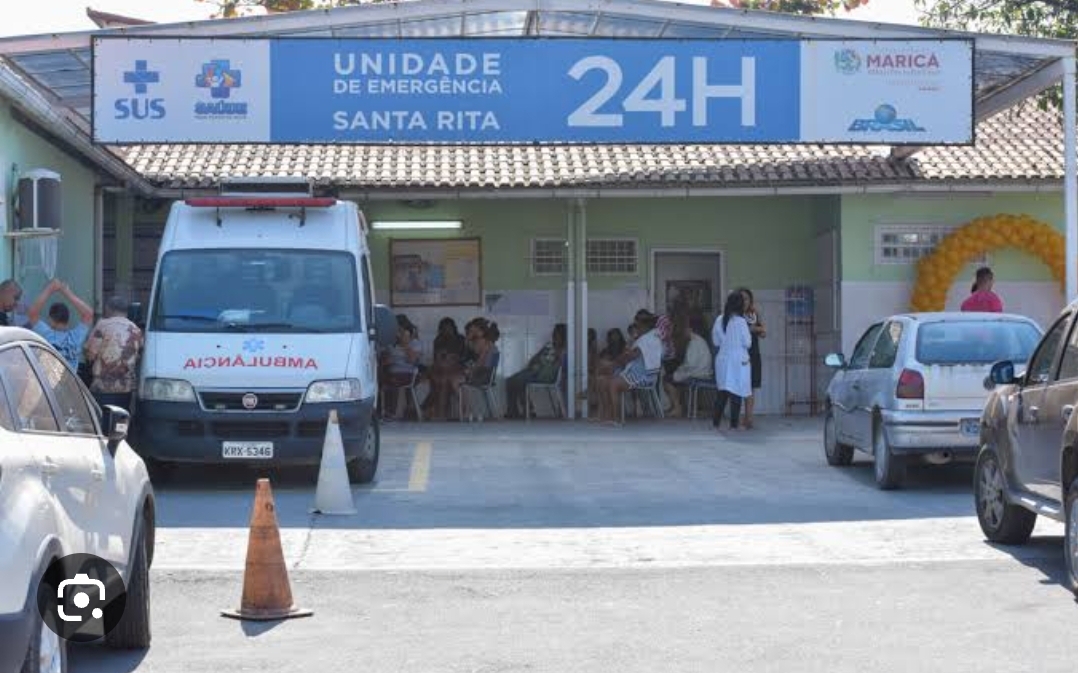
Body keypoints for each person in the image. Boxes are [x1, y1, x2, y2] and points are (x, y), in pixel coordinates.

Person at [596, 311, 668, 425]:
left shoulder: (650, 338)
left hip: (644, 376)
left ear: (643, 325)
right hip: (633, 373)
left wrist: (614, 364)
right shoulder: (646, 337)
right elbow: (629, 356)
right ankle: (606, 416)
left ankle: (617, 418)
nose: (635, 327)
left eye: (636, 324)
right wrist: (616, 363)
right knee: (601, 381)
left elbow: (631, 356)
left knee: (613, 384)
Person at [84, 295, 144, 411]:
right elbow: (138, 356)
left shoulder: (102, 325)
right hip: (126, 388)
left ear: (108, 309)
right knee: (121, 418)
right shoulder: (136, 330)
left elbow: (90, 354)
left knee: (101, 417)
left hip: (102, 387)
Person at [27, 279, 94, 371]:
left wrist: (50, 289)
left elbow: (32, 313)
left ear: (51, 319)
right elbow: (88, 314)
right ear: (67, 319)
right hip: (69, 380)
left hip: (47, 380)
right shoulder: (75, 337)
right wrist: (66, 292)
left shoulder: (46, 334)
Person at [505, 323, 567, 419]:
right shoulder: (549, 345)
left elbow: (556, 366)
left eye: (557, 335)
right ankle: (513, 410)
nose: (555, 336)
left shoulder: (563, 350)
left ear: (562, 336)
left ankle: (528, 409)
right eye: (554, 334)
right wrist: (534, 363)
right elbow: (535, 358)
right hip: (534, 371)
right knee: (510, 381)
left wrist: (542, 364)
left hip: (545, 375)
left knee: (519, 380)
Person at [712, 291, 752, 431]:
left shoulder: (719, 320)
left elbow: (716, 342)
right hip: (738, 361)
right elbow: (748, 343)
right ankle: (734, 425)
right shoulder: (741, 322)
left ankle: (716, 423)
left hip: (723, 360)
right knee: (737, 392)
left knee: (722, 393)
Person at [380, 314, 424, 421]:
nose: (398, 333)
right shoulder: (391, 343)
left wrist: (406, 344)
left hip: (408, 372)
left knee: (393, 380)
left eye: (401, 330)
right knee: (381, 378)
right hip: (391, 371)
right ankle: (382, 411)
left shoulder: (415, 343)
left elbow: (412, 360)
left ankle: (392, 412)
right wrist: (387, 359)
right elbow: (383, 360)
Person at [454, 320, 501, 420]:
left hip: (484, 375)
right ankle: (468, 411)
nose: (471, 332)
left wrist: (469, 371)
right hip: (484, 373)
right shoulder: (483, 342)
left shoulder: (485, 343)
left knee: (457, 381)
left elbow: (480, 363)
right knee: (457, 379)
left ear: (480, 331)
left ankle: (469, 411)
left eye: (473, 330)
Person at [425, 317, 467, 421]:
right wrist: (442, 357)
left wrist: (451, 357)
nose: (447, 330)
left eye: (449, 328)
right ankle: (440, 413)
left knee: (443, 381)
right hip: (440, 368)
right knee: (442, 379)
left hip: (456, 368)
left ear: (454, 328)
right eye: (444, 328)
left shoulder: (460, 339)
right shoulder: (438, 340)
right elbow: (436, 358)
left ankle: (439, 412)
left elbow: (463, 356)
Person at [666, 327, 714, 418]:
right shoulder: (700, 340)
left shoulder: (694, 342)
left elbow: (690, 364)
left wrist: (680, 368)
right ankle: (677, 406)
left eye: (685, 329)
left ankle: (677, 408)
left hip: (697, 373)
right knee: (676, 381)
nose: (684, 332)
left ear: (690, 330)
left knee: (667, 380)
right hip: (701, 371)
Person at [739, 287, 767, 429]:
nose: (744, 301)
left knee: (751, 386)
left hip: (753, 354)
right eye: (741, 299)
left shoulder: (754, 314)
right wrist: (754, 329)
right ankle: (739, 416)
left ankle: (749, 417)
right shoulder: (735, 315)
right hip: (739, 355)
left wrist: (757, 327)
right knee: (739, 386)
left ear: (750, 300)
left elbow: (763, 333)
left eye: (746, 298)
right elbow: (743, 330)